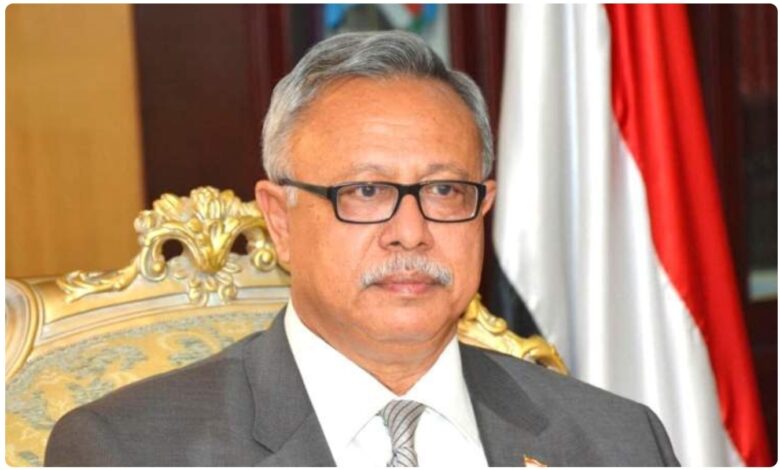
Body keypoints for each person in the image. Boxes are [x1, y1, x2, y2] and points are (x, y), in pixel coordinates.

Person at [45, 30, 679, 467]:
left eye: (444, 190)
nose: (411, 231)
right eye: (367, 191)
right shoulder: (130, 450)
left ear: (483, 206)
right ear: (280, 221)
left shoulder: (619, 442)